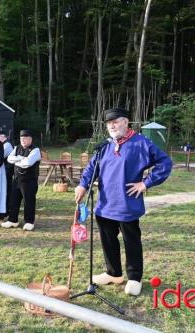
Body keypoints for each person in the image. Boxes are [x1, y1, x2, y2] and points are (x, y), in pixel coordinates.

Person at [74, 108, 172, 296]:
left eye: (116, 121)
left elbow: (165, 163)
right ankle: (114, 273)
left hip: (127, 204)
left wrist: (146, 183)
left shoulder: (141, 143)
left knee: (131, 241)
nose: (112, 125)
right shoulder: (105, 146)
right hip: (105, 205)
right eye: (109, 123)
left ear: (126, 122)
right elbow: (91, 167)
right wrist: (82, 185)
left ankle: (134, 278)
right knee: (108, 240)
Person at [2, 129, 41, 231]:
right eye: (21, 138)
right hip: (17, 179)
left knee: (29, 201)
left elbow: (27, 163)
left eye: (25, 138)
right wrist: (20, 158)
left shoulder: (35, 150)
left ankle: (29, 222)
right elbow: (9, 159)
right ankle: (13, 220)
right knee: (13, 200)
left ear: (30, 139)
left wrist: (17, 160)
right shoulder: (16, 148)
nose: (23, 140)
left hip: (29, 180)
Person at [0, 130, 14, 220]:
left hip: (7, 170)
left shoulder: (7, 145)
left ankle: (7, 208)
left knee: (7, 189)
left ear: (3, 137)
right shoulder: (3, 144)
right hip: (4, 170)